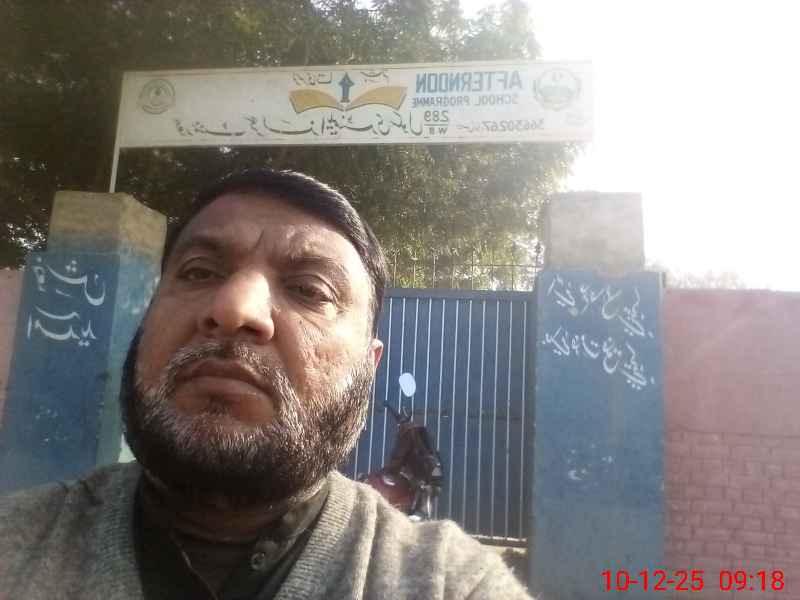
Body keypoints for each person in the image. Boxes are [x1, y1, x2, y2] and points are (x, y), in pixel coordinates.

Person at [0, 169, 532, 599]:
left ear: (369, 367)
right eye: (199, 272)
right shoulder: (15, 543)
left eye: (310, 289)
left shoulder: (449, 584)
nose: (235, 309)